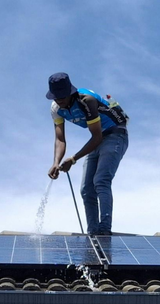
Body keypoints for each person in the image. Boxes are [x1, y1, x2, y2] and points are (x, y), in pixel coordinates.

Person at [46, 72, 129, 236]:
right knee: (86, 189)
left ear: (70, 92)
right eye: (56, 97)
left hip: (115, 135)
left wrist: (73, 159)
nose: (59, 101)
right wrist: (56, 162)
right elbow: (60, 139)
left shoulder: (86, 100)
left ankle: (104, 231)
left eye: (62, 96)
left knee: (101, 180)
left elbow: (97, 137)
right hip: (97, 139)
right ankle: (93, 233)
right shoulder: (56, 109)